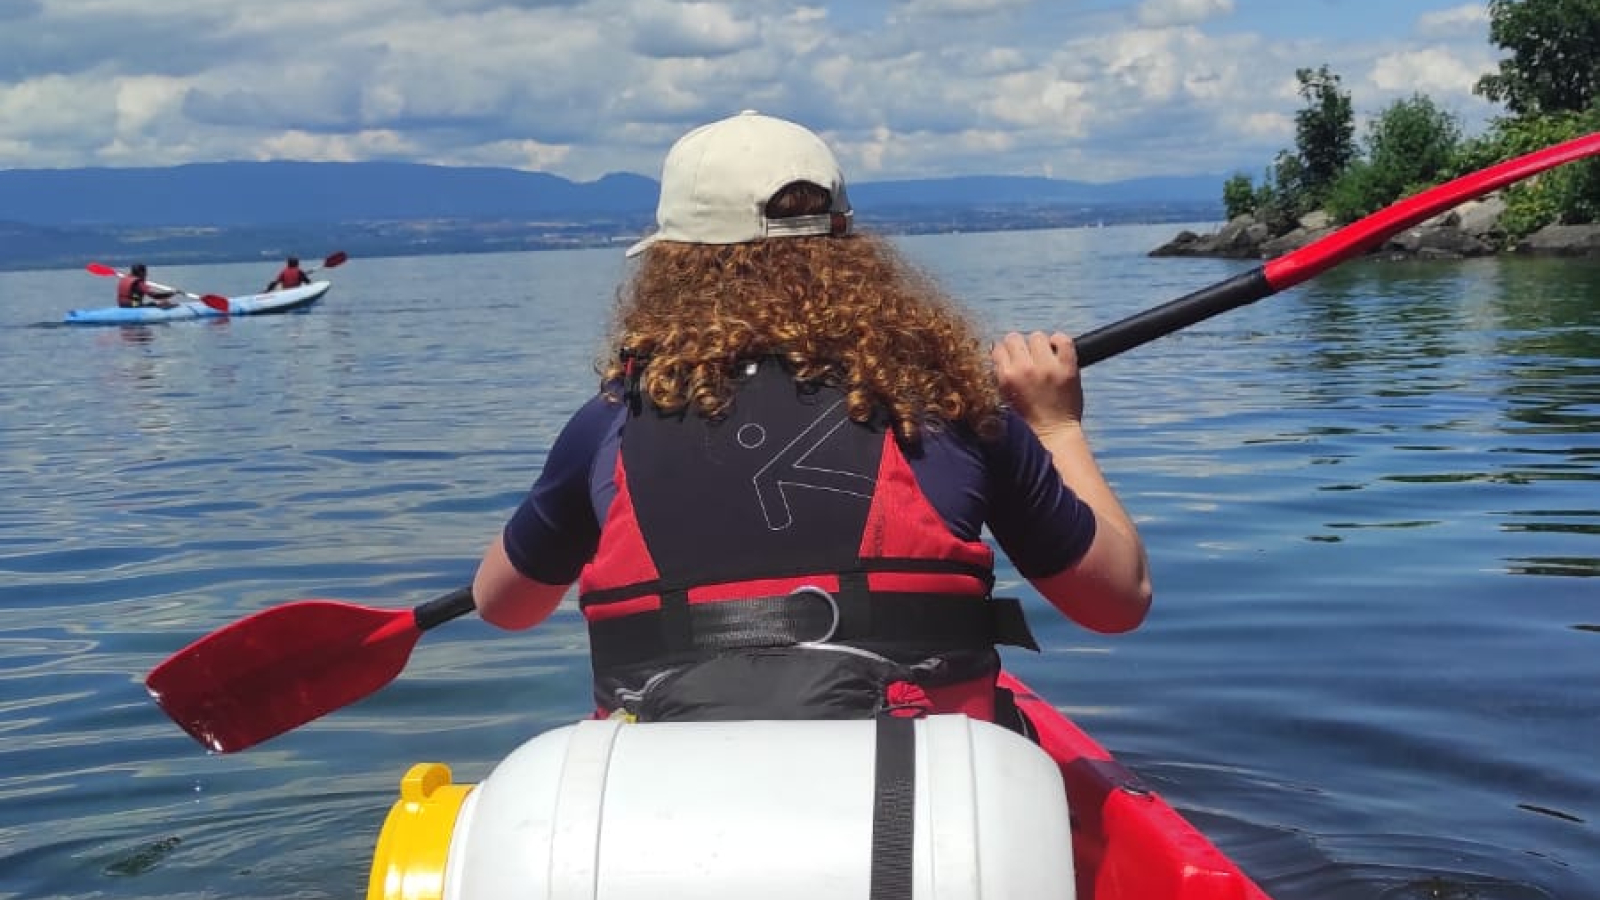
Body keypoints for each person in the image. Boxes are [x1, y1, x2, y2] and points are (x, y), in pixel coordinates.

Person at [471, 110, 1151, 726]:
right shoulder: (951, 409)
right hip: (914, 820)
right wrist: (1056, 427)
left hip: (675, 820)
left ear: (671, 267)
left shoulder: (609, 425)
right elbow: (1118, 602)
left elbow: (505, 606)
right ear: (851, 247)